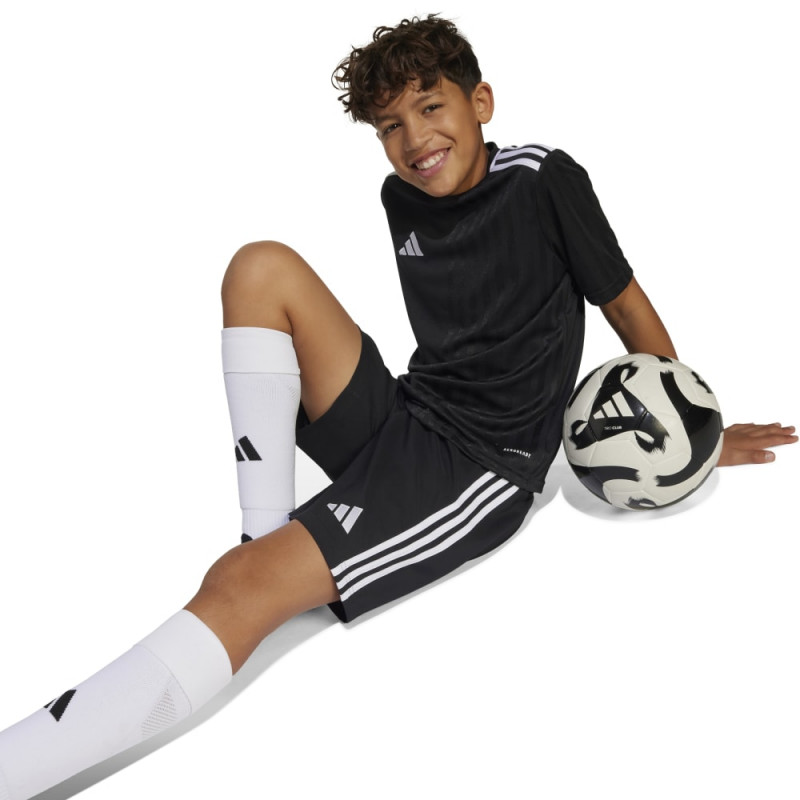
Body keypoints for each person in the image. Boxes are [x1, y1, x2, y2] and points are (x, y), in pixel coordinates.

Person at [0, 14, 795, 800]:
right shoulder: (400, 195)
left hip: (477, 465)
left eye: (430, 106)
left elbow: (623, 303)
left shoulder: (542, 180)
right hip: (411, 409)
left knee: (236, 589)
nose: (414, 140)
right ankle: (264, 535)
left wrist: (686, 436)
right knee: (259, 267)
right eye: (390, 125)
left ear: (481, 102)